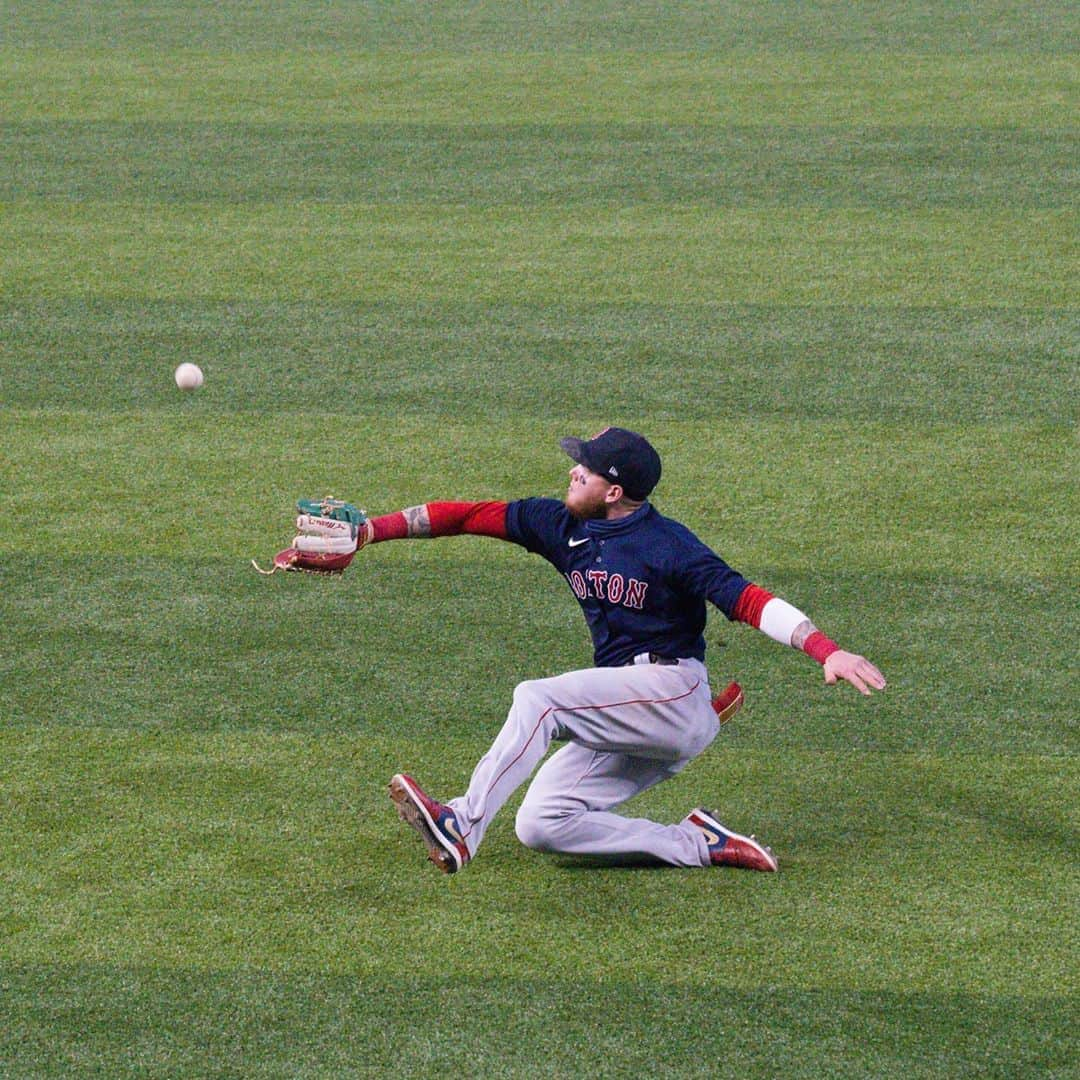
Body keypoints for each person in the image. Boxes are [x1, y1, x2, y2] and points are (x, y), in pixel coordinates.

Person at [356, 427, 885, 874]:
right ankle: (698, 842)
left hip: (671, 695)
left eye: (583, 471)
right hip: (626, 710)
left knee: (538, 699)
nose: (571, 473)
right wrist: (369, 533)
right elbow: (468, 516)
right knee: (540, 824)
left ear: (613, 492)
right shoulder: (558, 525)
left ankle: (462, 823)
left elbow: (747, 599)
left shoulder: (669, 545)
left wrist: (825, 650)